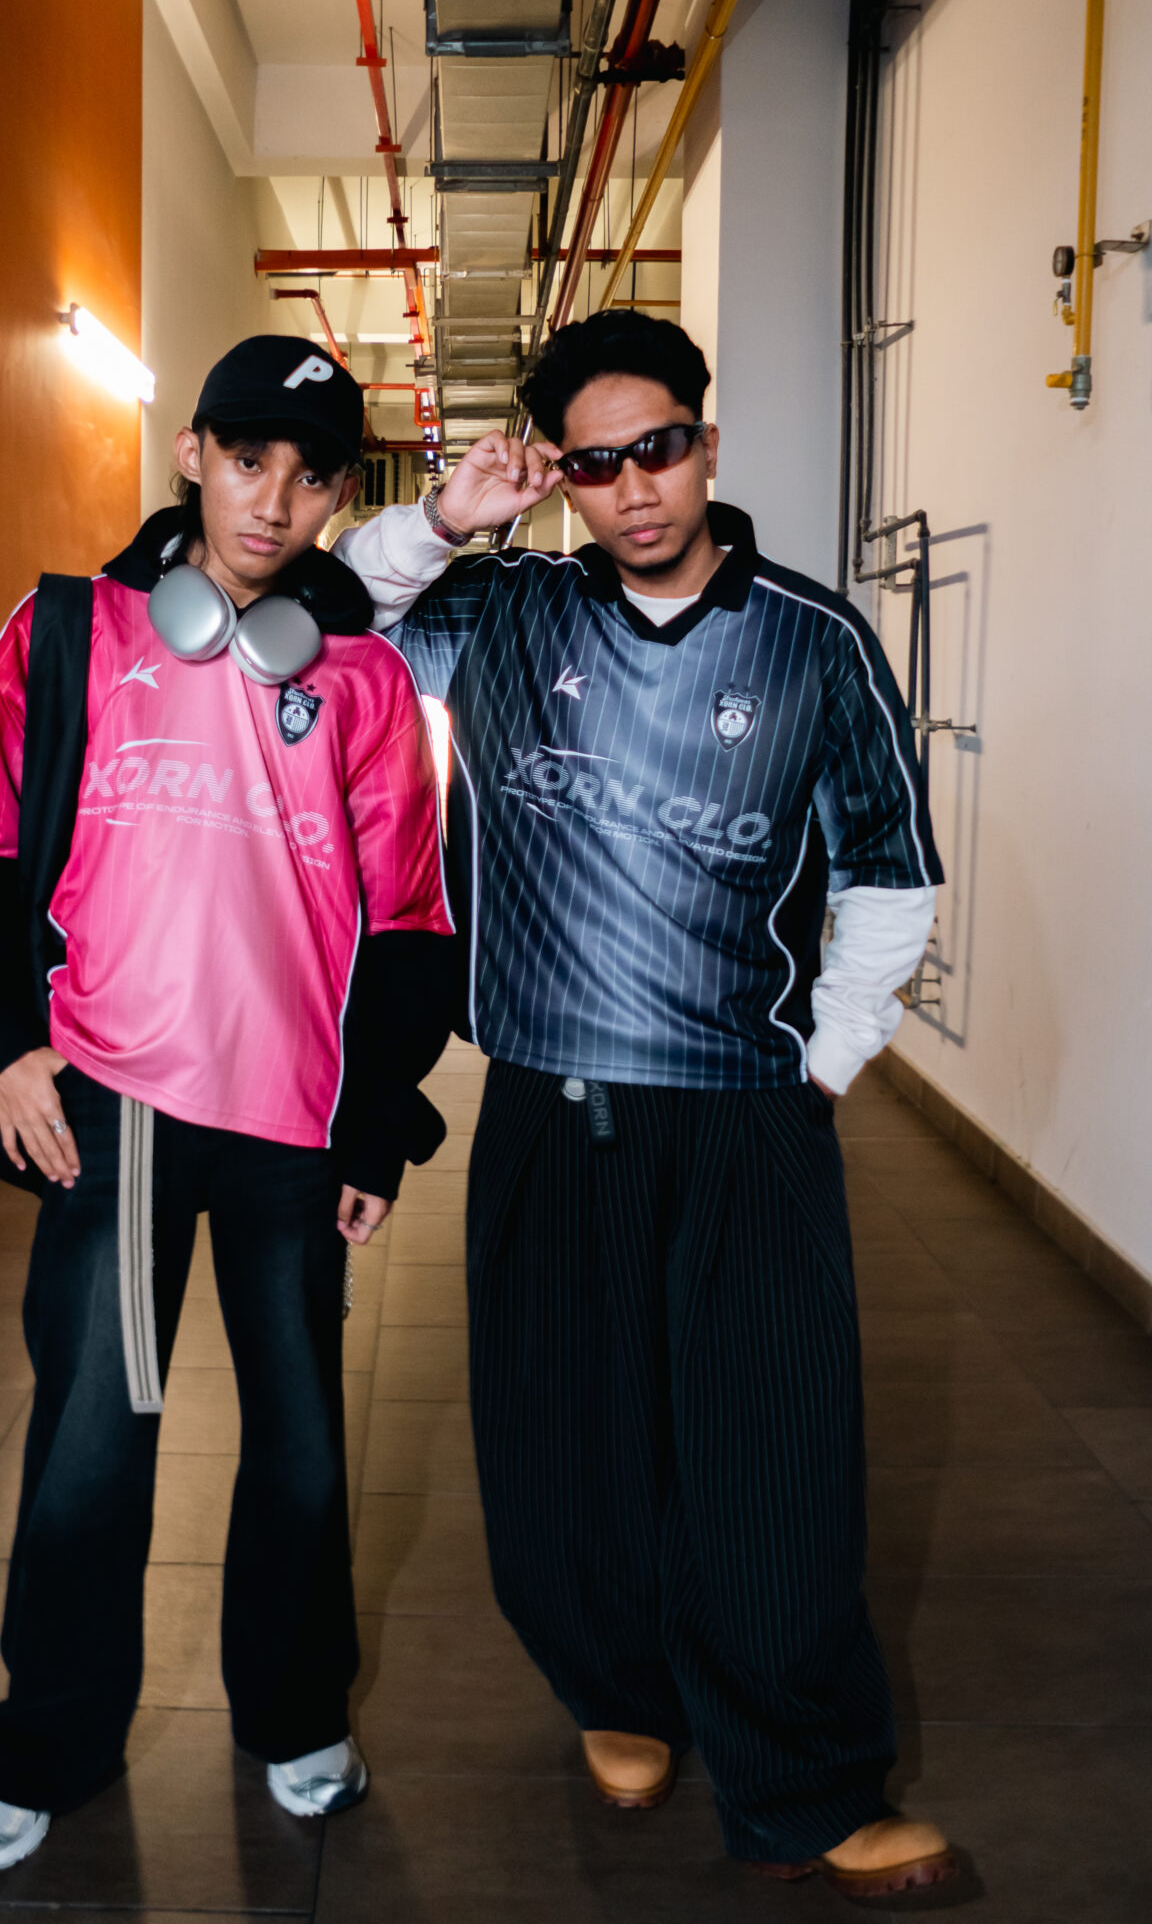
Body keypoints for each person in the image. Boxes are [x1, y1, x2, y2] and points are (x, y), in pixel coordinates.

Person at [336, 309, 959, 1901]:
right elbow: (337, 619)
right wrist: (448, 516)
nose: (634, 489)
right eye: (595, 464)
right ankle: (619, 1691)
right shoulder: (508, 611)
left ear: (706, 442)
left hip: (745, 1114)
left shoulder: (813, 640)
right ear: (563, 476)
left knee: (771, 1455)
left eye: (658, 448)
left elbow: (890, 873)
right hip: (548, 1103)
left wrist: (826, 1060)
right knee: (563, 1442)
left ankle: (806, 1784)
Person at [0, 336, 456, 1869]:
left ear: (341, 495)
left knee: (299, 1449)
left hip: (292, 1124)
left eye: (311, 476)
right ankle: (45, 1745)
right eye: (246, 459)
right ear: (192, 456)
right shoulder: (68, 634)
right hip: (116, 1106)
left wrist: (377, 1121)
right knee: (94, 1440)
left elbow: (411, 922)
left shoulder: (363, 678)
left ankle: (296, 1717)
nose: (272, 501)